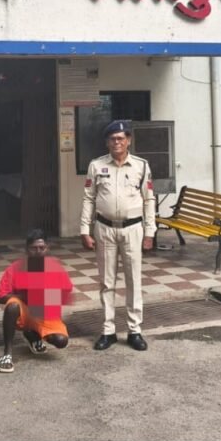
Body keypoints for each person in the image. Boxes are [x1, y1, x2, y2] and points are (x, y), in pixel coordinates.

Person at [80, 120, 156, 352]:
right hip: (104, 229)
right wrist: (84, 229)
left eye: (121, 138)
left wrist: (150, 232)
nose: (117, 142)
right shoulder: (96, 165)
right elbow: (89, 198)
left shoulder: (141, 166)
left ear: (128, 140)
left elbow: (149, 199)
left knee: (134, 281)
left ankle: (134, 330)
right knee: (107, 282)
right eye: (112, 139)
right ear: (107, 142)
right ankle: (108, 331)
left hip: (133, 229)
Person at [0, 229, 74, 373]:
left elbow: (65, 294)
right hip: (24, 311)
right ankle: (7, 354)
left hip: (45, 313)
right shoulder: (16, 268)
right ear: (27, 249)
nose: (38, 251)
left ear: (47, 248)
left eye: (41, 248)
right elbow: (0, 297)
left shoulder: (55, 268)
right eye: (33, 248)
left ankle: (32, 335)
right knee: (12, 306)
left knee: (61, 341)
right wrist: (25, 297)